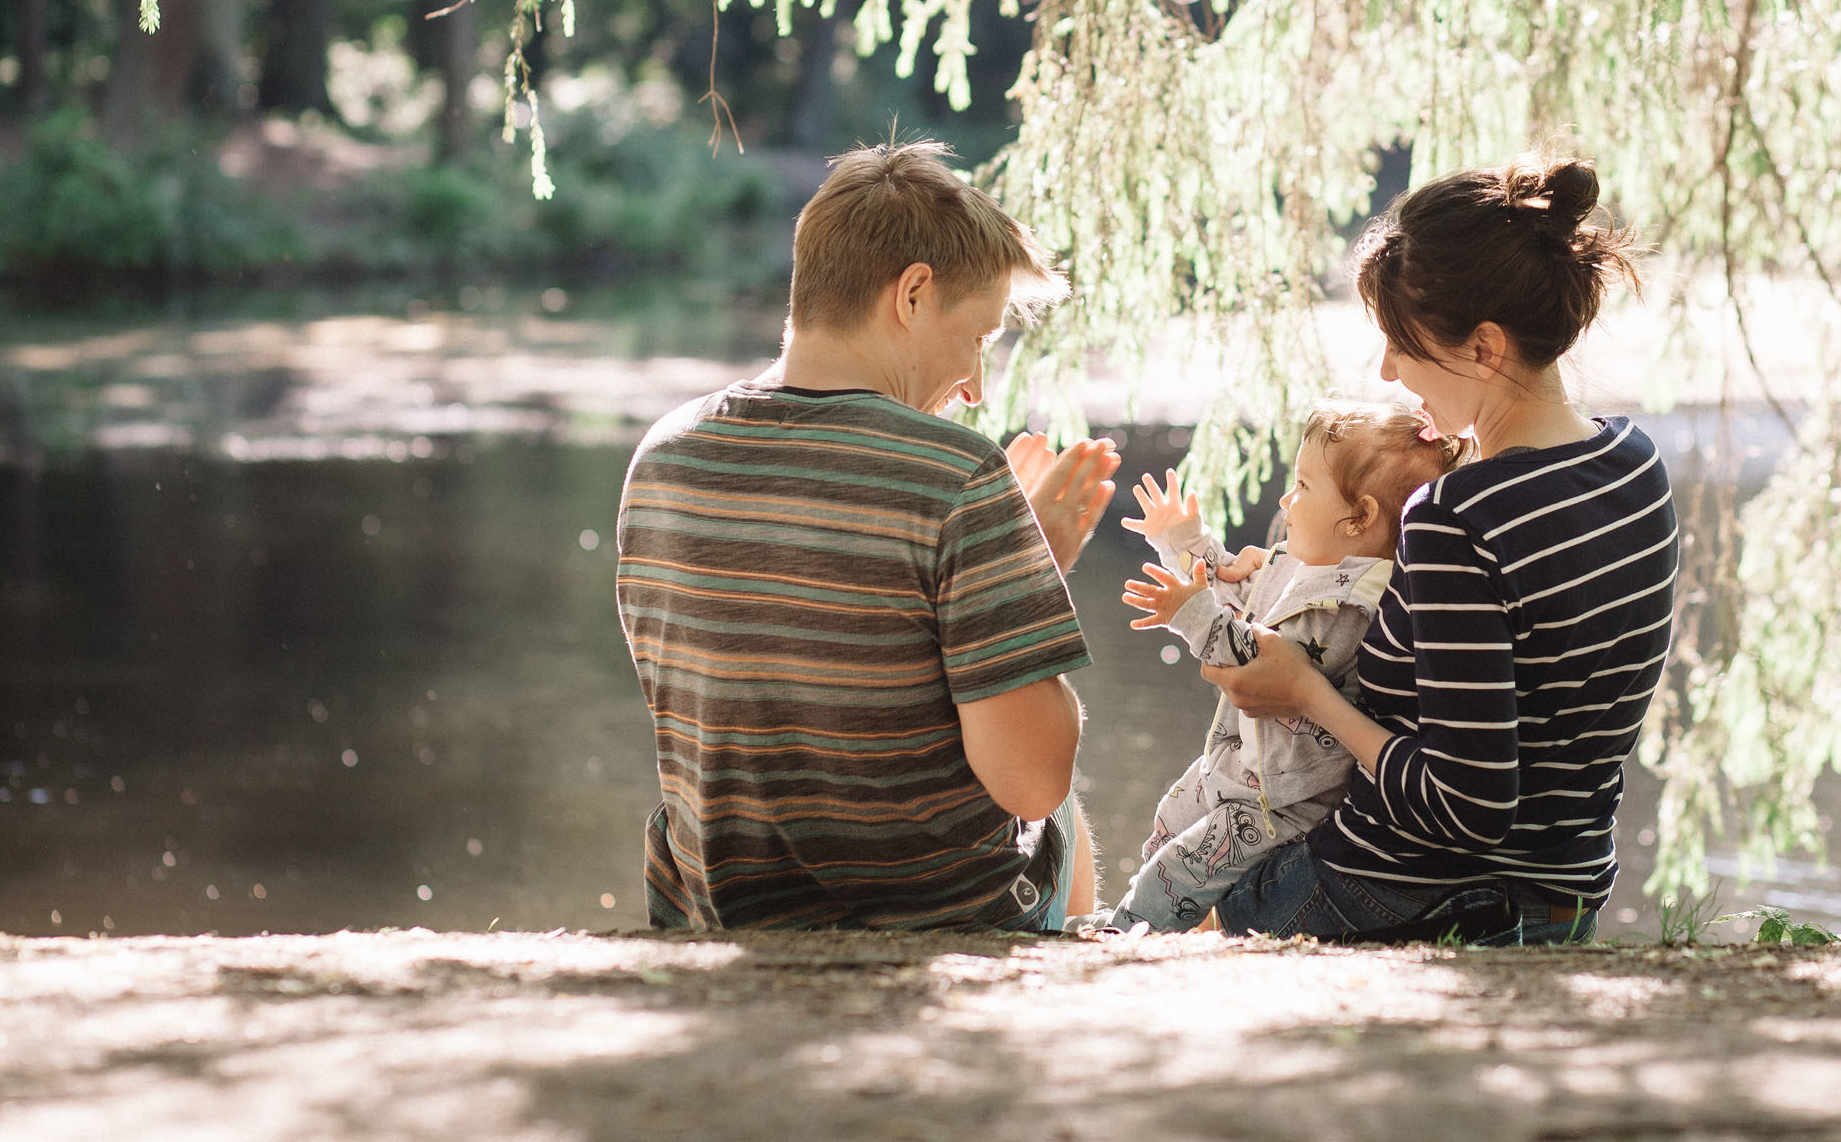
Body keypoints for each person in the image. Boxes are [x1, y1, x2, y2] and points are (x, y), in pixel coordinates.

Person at [615, 140, 1119, 931]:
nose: (978, 389)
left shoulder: (664, 453)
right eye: (981, 338)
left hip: (722, 912)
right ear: (913, 293)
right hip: (934, 918)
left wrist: (1000, 570)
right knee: (1061, 821)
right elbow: (1032, 779)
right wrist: (1034, 570)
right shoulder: (955, 473)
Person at [1202, 152, 1678, 944]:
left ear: (1484, 348)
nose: (1386, 370)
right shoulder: (1635, 463)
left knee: (1189, 887)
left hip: (1410, 893)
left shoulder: (1457, 516)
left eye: (1400, 342)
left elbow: (1468, 807)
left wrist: (1304, 693)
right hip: (1563, 900)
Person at [1096, 403, 1470, 932]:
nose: (1285, 499)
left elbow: (1262, 656)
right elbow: (1236, 586)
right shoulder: (1306, 566)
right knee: (1169, 823)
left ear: (1359, 517)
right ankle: (1136, 920)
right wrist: (1185, 542)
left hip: (1282, 797)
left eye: (1302, 486)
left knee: (1180, 869)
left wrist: (1193, 616)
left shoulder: (1353, 605)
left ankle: (1130, 935)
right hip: (1238, 767)